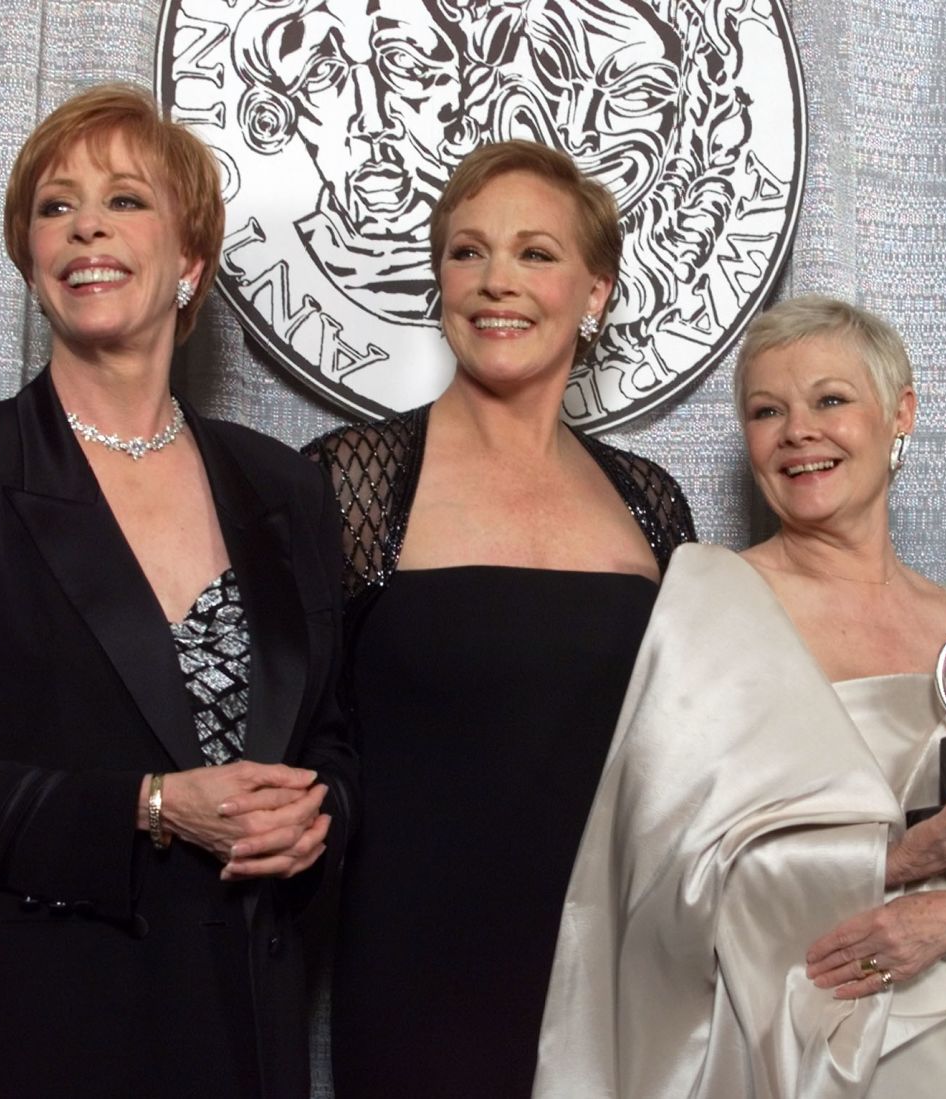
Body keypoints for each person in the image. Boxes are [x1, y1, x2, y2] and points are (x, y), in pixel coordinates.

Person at [0, 85, 356, 1099]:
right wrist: (152, 806)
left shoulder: (285, 487)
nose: (84, 223)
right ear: (35, 261)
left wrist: (322, 814)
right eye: (53, 204)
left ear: (189, 263)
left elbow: (330, 732)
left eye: (126, 199)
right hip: (34, 1027)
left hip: (241, 1031)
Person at [534, 297, 946, 1098]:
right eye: (769, 411)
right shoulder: (712, 600)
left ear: (899, 412)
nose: (800, 430)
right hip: (788, 1052)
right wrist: (888, 861)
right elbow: (658, 894)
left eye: (831, 399)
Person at [300, 139, 695, 1095]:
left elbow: (701, 749)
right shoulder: (352, 480)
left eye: (536, 252)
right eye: (467, 251)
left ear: (596, 292)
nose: (495, 281)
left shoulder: (649, 500)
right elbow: (265, 724)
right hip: (417, 980)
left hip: (621, 976)